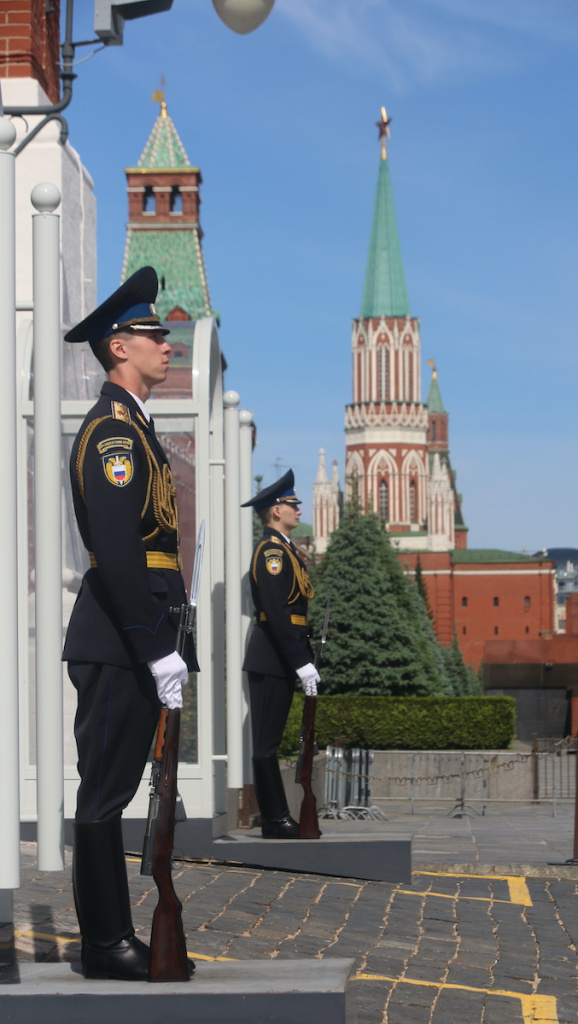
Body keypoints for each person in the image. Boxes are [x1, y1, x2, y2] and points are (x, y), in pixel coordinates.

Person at [63, 266, 198, 980]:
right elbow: (117, 552)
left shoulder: (136, 430)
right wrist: (152, 649)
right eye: (152, 335)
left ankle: (111, 938)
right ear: (119, 347)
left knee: (117, 790)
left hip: (140, 639)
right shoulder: (113, 435)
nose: (165, 344)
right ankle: (106, 942)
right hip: (120, 642)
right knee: (105, 794)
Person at [242, 469, 319, 838]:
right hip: (272, 656)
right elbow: (276, 611)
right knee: (266, 744)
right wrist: (300, 661)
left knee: (270, 741)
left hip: (280, 656)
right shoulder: (272, 552)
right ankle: (274, 819)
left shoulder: (285, 549)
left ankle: (278, 817)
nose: (298, 511)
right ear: (276, 511)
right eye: (292, 505)